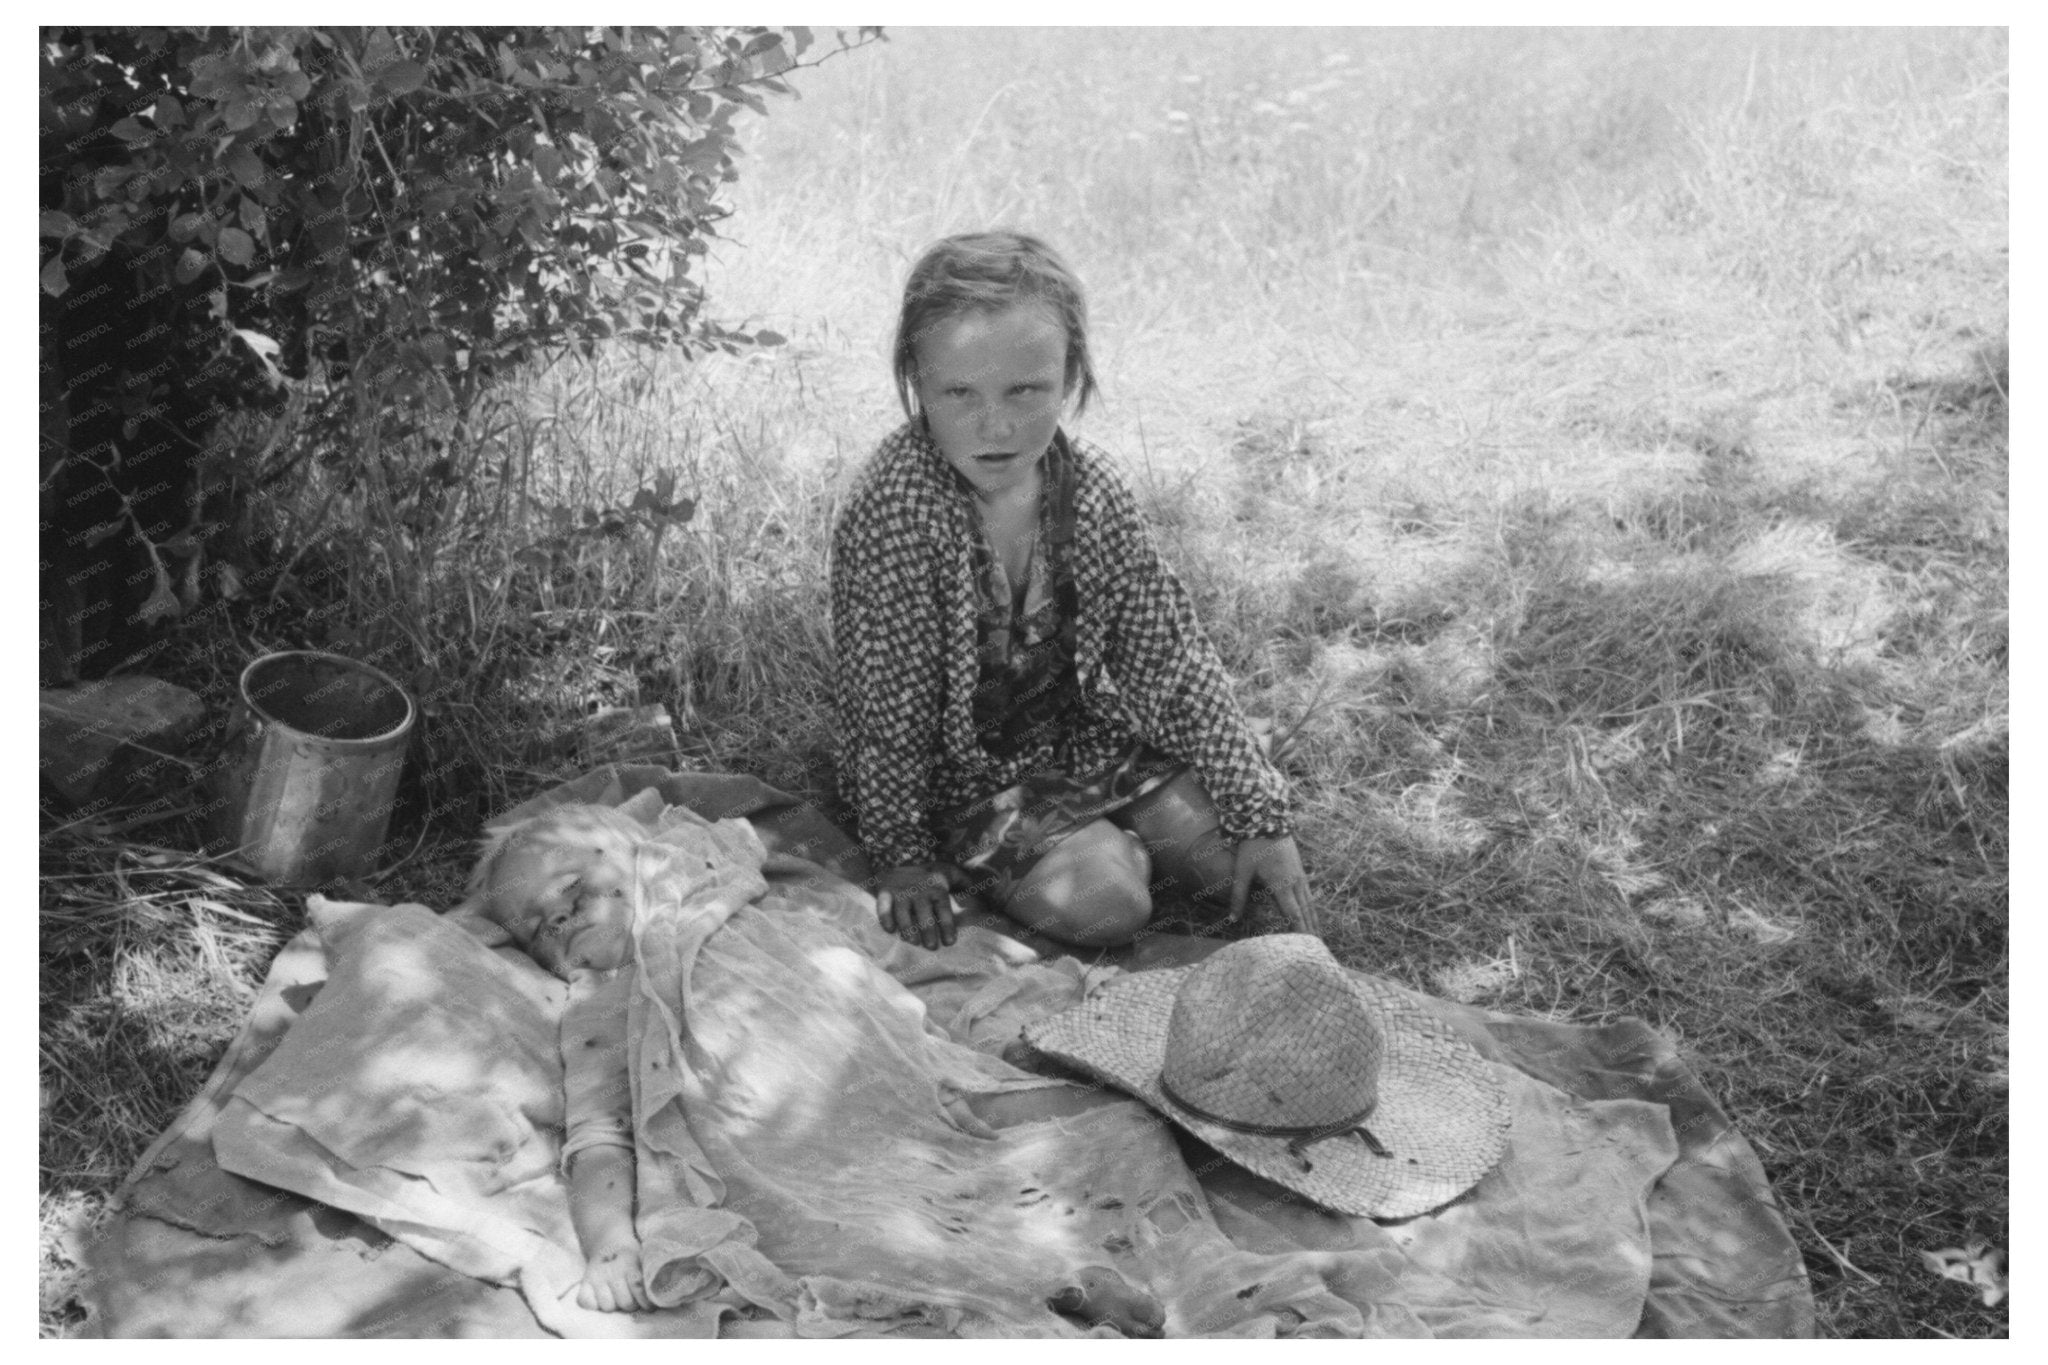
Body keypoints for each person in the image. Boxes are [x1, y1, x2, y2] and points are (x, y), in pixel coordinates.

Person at [830, 230, 1318, 953]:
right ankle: (1086, 851)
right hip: (967, 779)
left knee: (1237, 864)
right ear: (917, 383)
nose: (994, 425)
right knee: (1110, 904)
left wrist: (1259, 812)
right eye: (958, 393)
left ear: (1071, 376)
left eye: (1025, 390)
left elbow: (1171, 658)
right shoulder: (896, 508)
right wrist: (900, 853)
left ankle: (1111, 834)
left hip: (1087, 743)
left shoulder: (1092, 490)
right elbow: (889, 705)